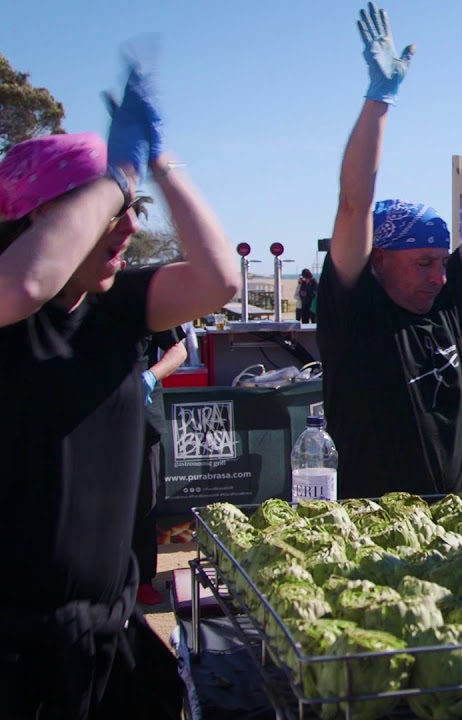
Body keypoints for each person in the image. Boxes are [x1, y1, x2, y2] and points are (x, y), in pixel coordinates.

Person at [0, 58, 236, 717]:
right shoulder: (8, 308)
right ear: (37, 219)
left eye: (132, 211)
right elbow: (23, 286)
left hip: (111, 633)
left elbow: (220, 279)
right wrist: (117, 175)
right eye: (108, 211)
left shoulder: (118, 307)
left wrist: (160, 164)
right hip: (18, 650)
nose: (129, 225)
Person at [317, 2, 462, 498]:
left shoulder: (443, 304)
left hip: (442, 515)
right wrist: (380, 99)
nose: (439, 276)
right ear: (378, 260)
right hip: (364, 522)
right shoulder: (355, 310)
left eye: (442, 262)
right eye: (423, 263)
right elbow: (354, 206)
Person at [133, 326, 188, 608]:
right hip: (89, 419)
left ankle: (142, 580)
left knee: (144, 503)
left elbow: (178, 350)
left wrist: (151, 376)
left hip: (141, 417)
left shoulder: (145, 292)